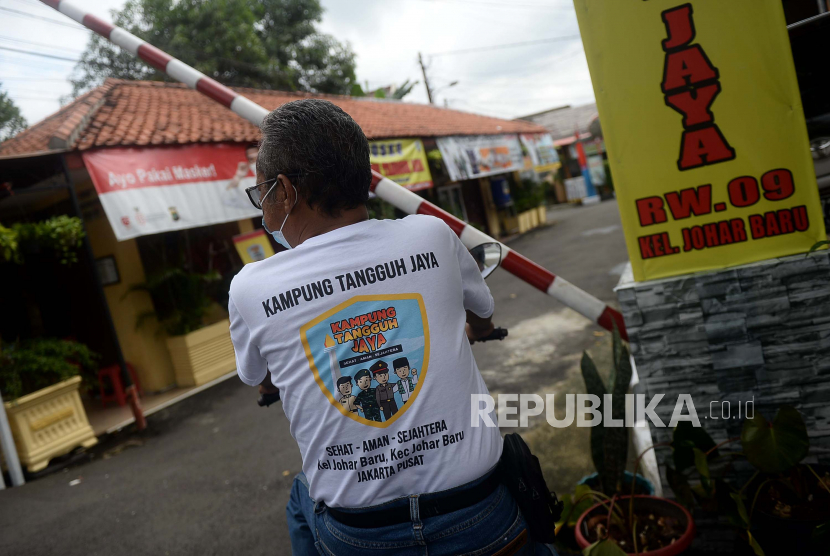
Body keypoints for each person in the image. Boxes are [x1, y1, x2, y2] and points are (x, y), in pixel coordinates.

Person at [228, 99, 555, 555]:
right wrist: (478, 330)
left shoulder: (250, 288)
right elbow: (481, 312)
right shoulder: (432, 235)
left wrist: (271, 385)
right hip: (481, 517)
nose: (262, 208)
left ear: (285, 190)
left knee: (302, 499)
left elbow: (259, 377)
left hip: (360, 535)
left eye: (261, 192)